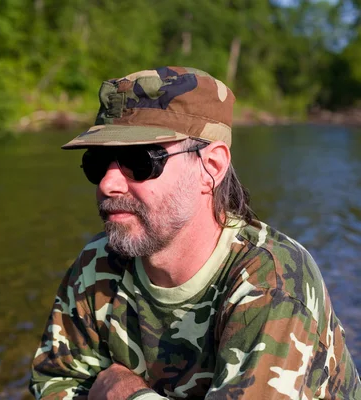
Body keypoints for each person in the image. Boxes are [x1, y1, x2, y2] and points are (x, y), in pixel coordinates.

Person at [29, 66, 361, 400]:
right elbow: (55, 381)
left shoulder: (274, 284)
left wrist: (122, 392)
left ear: (211, 167)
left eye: (140, 161)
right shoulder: (97, 264)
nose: (107, 183)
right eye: (97, 163)